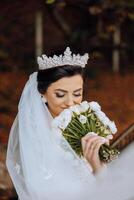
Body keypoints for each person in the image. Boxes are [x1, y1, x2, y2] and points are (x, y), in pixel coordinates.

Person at [6, 47, 134, 200]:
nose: (70, 102)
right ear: (43, 94)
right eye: (60, 95)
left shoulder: (81, 127)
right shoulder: (35, 136)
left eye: (77, 93)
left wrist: (98, 165)